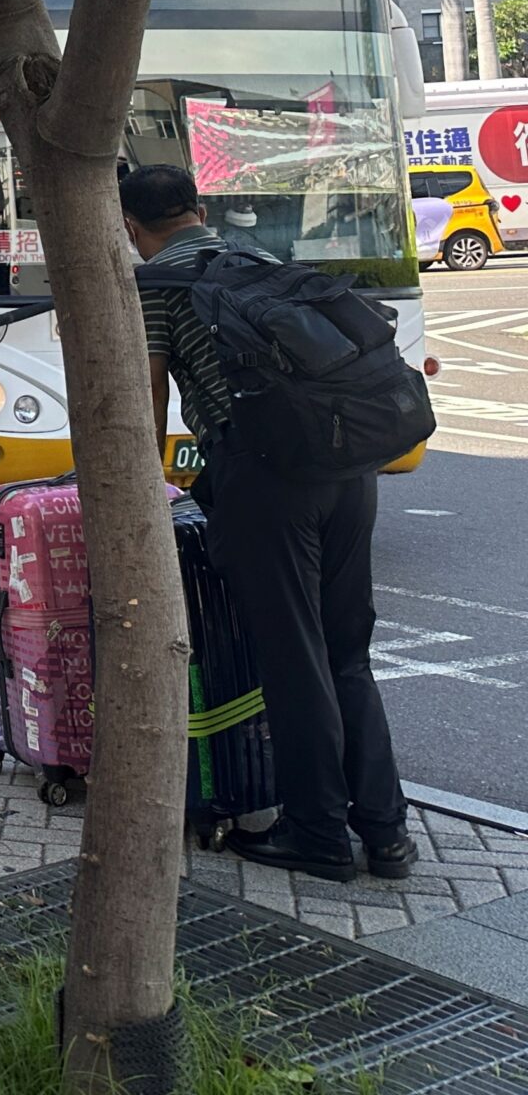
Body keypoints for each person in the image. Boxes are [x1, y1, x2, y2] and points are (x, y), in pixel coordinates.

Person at [121, 163, 414, 883]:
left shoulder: (157, 284)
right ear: (198, 210)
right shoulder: (258, 259)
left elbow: (145, 397)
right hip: (349, 468)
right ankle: (384, 832)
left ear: (131, 227)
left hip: (266, 478)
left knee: (292, 654)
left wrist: (142, 494)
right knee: (346, 650)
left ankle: (316, 833)